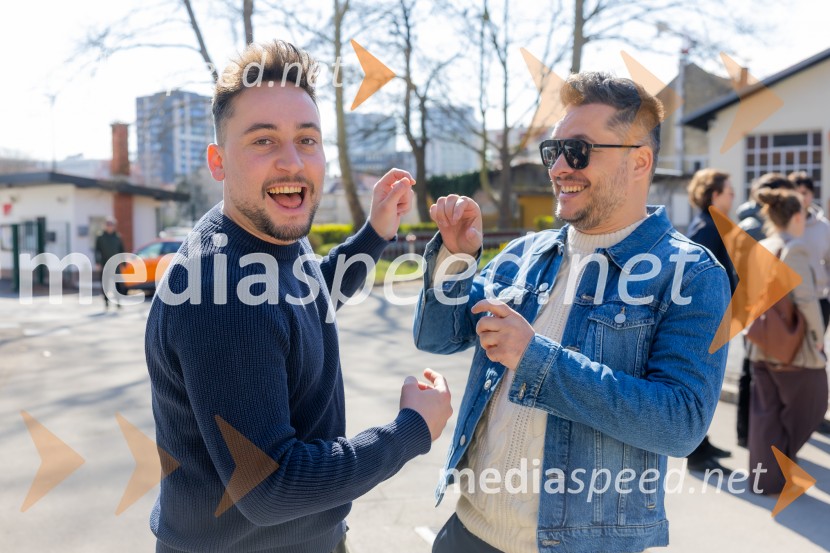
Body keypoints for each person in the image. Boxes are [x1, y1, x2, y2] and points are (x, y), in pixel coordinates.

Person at [145, 40, 453, 553]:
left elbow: (309, 294)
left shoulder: (268, 230)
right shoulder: (219, 293)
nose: (292, 162)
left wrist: (373, 234)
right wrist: (410, 431)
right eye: (263, 141)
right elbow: (270, 486)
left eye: (307, 140)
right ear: (218, 162)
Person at [414, 72, 730, 553]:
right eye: (553, 151)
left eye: (578, 151)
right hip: (467, 533)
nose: (559, 167)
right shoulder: (525, 252)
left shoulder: (690, 274)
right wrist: (454, 263)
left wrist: (537, 359)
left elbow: (680, 423)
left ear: (639, 161)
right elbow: (439, 338)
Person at [747, 188, 828, 494]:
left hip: (761, 343)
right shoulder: (796, 249)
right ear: (797, 216)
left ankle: (765, 480)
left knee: (767, 413)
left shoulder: (762, 244)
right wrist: (819, 339)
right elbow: (807, 301)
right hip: (792, 349)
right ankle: (779, 468)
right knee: (814, 403)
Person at [734, 173, 796, 447]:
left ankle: (750, 433)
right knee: (753, 372)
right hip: (760, 308)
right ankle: (748, 434)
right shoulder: (756, 226)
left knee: (755, 371)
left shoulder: (756, 223)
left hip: (759, 308)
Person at [684, 168, 737, 471]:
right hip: (707, 321)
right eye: (729, 191)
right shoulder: (707, 227)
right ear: (715, 195)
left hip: (714, 318)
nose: (733, 196)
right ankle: (697, 454)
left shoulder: (710, 223)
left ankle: (702, 444)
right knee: (701, 385)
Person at [788, 171, 830, 329]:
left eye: (805, 193)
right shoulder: (783, 226)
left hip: (819, 298)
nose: (800, 198)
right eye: (795, 193)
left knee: (817, 349)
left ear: (812, 195)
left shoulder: (824, 226)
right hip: (790, 300)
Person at [94, 216, 125, 310]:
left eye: (111, 225)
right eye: (108, 225)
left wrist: (123, 262)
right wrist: (98, 262)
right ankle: (106, 302)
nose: (110, 226)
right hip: (105, 264)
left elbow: (121, 250)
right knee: (105, 285)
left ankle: (118, 302)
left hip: (116, 265)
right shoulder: (100, 237)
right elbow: (97, 250)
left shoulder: (117, 237)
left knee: (118, 284)